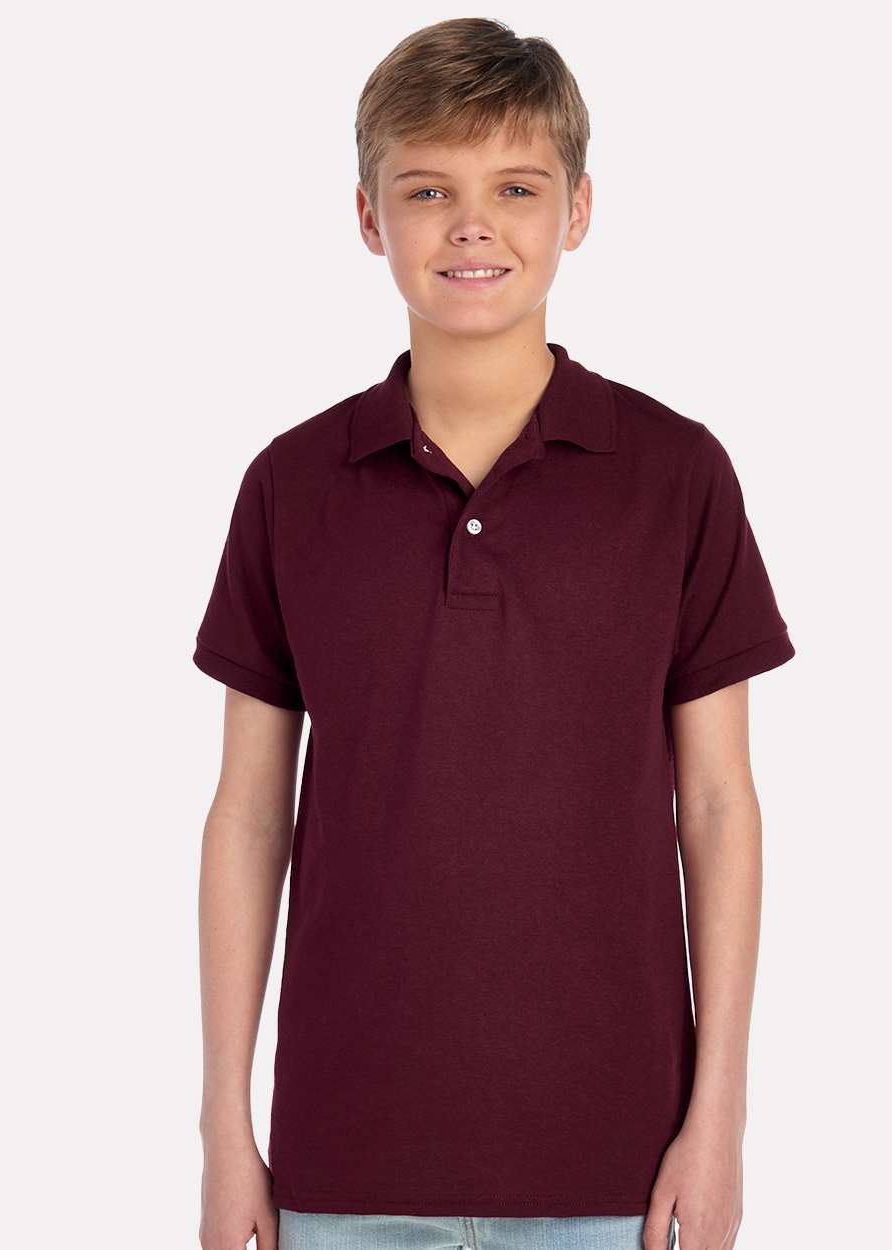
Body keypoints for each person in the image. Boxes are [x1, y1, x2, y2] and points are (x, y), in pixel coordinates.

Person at [193, 17, 796, 1250]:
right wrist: (222, 1128)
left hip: (618, 1164)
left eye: (515, 188)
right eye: (429, 190)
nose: (473, 225)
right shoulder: (290, 485)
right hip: (342, 1158)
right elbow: (249, 813)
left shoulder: (675, 473)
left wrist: (720, 1118)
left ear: (578, 210)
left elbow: (718, 804)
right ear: (369, 218)